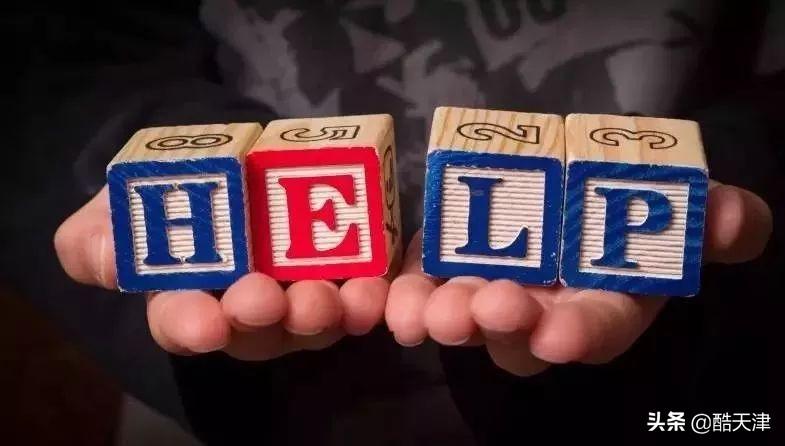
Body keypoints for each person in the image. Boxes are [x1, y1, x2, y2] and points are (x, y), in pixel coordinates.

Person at [10, 0, 782, 444]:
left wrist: (741, 186)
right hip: (232, 391)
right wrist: (136, 144)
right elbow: (59, 58)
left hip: (680, 385)